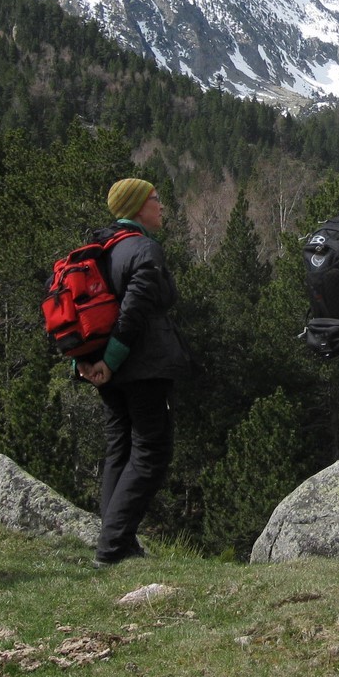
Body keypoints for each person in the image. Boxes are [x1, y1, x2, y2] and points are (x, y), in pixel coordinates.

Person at [75, 178, 193, 569]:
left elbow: (82, 313)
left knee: (119, 450)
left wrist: (89, 363)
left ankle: (119, 542)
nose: (162, 206)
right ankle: (110, 549)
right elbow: (134, 313)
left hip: (107, 372)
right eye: (156, 199)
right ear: (138, 206)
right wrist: (111, 359)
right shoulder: (143, 248)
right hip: (142, 366)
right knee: (150, 453)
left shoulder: (98, 249)